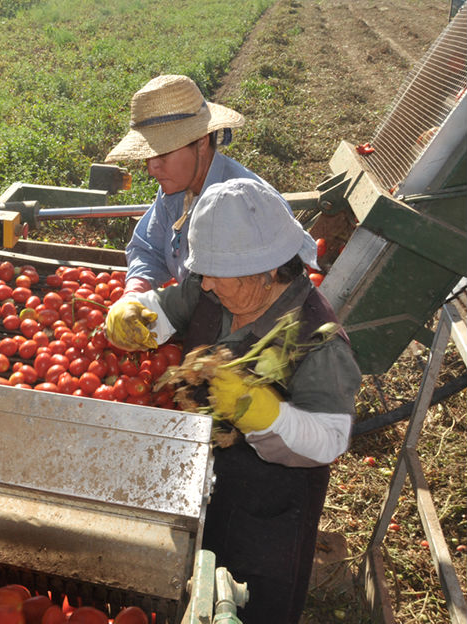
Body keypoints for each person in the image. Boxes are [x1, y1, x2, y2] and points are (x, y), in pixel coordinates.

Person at [106, 178, 361, 623]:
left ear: (265, 271)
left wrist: (263, 413)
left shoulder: (318, 342)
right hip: (203, 484)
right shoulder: (217, 291)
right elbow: (168, 307)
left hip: (268, 507)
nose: (204, 286)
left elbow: (330, 439)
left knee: (253, 603)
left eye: (213, 275)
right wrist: (134, 313)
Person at [105, 74, 288, 293]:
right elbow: (149, 248)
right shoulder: (176, 190)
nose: (151, 168)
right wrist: (136, 289)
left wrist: (168, 308)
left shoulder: (245, 205)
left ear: (201, 142)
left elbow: (241, 298)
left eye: (162, 154)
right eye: (148, 156)